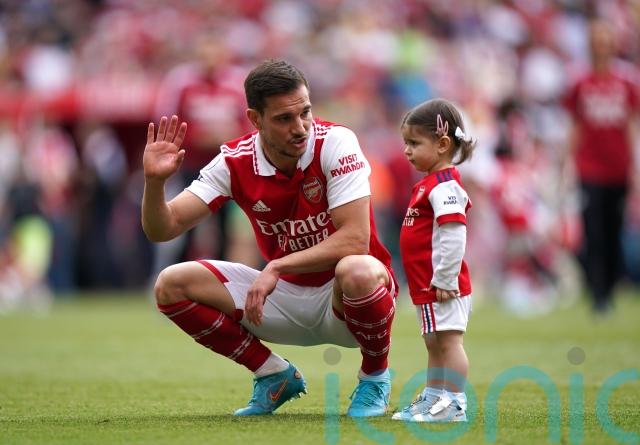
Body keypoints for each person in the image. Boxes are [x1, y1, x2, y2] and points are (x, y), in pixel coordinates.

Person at [141, 59, 397, 417]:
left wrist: (276, 266)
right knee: (170, 284)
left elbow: (355, 239)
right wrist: (154, 183)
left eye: (305, 112)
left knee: (357, 269)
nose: (300, 128)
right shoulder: (234, 162)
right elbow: (162, 228)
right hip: (280, 300)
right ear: (255, 119)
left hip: (346, 302)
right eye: (284, 118)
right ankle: (273, 373)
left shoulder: (336, 142)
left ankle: (375, 377)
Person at [392, 99, 475, 422]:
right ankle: (434, 397)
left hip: (442, 286)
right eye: (406, 143)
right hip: (428, 285)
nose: (407, 151)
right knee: (434, 342)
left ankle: (454, 403)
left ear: (442, 144)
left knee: (449, 342)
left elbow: (454, 236)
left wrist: (445, 278)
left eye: (414, 143)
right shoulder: (428, 184)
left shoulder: (444, 187)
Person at [563, 19, 640, 314]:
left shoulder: (626, 81)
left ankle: (610, 288)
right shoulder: (580, 82)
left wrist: (634, 165)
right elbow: (575, 126)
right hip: (589, 167)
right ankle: (597, 294)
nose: (602, 46)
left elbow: (631, 125)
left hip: (618, 167)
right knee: (592, 230)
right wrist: (568, 162)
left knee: (614, 229)